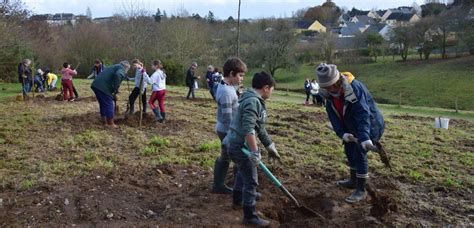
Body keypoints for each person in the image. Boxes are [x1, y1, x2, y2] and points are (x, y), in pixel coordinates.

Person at [316, 63, 384, 203]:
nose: (328, 90)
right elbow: (333, 116)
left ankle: (361, 189)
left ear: (337, 82)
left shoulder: (353, 88)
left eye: (330, 86)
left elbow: (362, 113)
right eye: (325, 87)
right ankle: (353, 180)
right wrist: (342, 134)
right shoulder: (328, 94)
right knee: (349, 149)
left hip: (370, 124)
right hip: (349, 125)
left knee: (359, 152)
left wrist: (365, 137)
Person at [224, 71, 281, 226]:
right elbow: (249, 129)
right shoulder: (253, 102)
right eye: (272, 89)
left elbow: (259, 128)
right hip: (239, 146)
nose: (272, 92)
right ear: (266, 88)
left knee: (243, 173)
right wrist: (255, 152)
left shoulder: (253, 99)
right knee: (251, 179)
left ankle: (237, 200)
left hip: (235, 144)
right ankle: (250, 216)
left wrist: (270, 146)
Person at [212, 57, 247, 194]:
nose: (241, 79)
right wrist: (231, 136)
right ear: (232, 74)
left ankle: (219, 185)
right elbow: (227, 118)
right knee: (238, 157)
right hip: (227, 130)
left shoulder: (227, 86)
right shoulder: (226, 92)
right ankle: (236, 188)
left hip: (226, 128)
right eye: (240, 75)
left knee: (226, 156)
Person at [91, 60, 130, 128]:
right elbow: (118, 75)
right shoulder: (121, 68)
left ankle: (104, 120)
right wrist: (116, 88)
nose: (126, 72)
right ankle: (110, 123)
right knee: (109, 103)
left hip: (96, 85)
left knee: (103, 103)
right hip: (103, 87)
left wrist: (113, 92)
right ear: (126, 67)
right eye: (127, 70)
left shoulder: (115, 66)